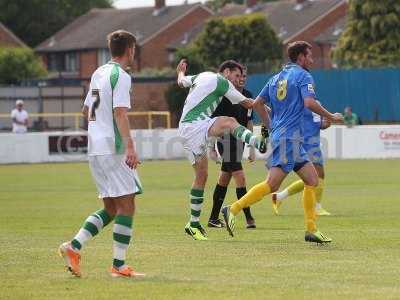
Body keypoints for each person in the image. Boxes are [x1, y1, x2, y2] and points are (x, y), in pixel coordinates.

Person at [221, 41, 343, 243]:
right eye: (309, 56)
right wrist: (332, 116)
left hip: (287, 137)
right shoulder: (304, 76)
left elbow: (257, 103)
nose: (312, 60)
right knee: (272, 184)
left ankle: (311, 230)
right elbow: (309, 103)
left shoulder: (276, 78)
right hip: (289, 139)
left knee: (312, 180)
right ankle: (232, 209)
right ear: (301, 57)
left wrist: (270, 125)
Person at [58, 30, 145, 278]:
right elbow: (120, 113)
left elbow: (87, 111)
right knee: (127, 205)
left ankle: (73, 248)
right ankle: (119, 266)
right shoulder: (122, 75)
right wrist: (129, 146)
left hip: (95, 148)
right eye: (134, 49)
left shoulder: (98, 72)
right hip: (113, 149)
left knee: (110, 207)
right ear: (130, 49)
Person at [176, 59, 269, 241]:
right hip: (195, 127)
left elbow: (181, 81)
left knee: (201, 176)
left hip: (186, 128)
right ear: (226, 72)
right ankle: (258, 142)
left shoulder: (201, 76)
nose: (238, 79)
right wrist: (268, 105)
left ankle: (193, 224)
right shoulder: (222, 82)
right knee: (229, 121)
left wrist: (180, 71)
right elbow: (249, 103)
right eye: (236, 75)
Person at [208, 66, 257, 229]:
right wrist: (212, 146)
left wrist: (251, 147)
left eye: (244, 76)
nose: (242, 78)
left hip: (240, 143)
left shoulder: (248, 96)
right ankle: (249, 218)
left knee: (224, 179)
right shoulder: (225, 96)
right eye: (239, 75)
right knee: (240, 178)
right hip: (226, 141)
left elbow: (249, 122)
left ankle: (213, 218)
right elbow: (214, 122)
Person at [271, 101, 332, 216]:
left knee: (313, 177)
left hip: (313, 142)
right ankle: (316, 207)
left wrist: (326, 122)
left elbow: (318, 123)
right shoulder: (298, 102)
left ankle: (279, 196)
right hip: (304, 141)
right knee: (317, 175)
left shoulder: (316, 103)